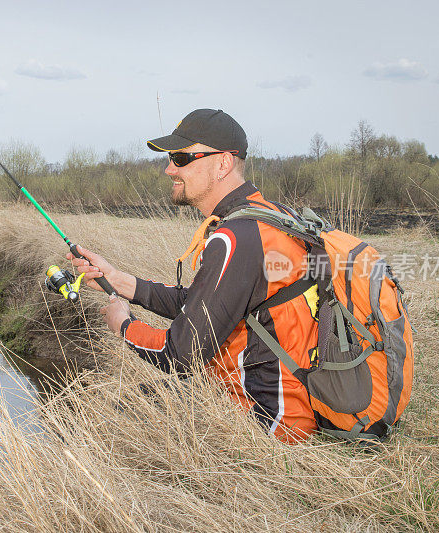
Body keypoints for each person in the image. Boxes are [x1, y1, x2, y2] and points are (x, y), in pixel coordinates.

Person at [67, 109, 319, 443]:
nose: (169, 168)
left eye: (181, 157)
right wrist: (117, 279)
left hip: (269, 423)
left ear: (223, 163)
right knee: (136, 399)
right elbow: (206, 305)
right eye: (171, 158)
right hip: (289, 403)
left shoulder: (236, 238)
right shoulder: (270, 218)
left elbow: (180, 354)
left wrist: (123, 325)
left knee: (109, 414)